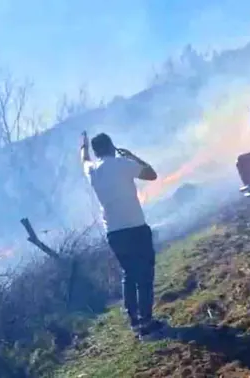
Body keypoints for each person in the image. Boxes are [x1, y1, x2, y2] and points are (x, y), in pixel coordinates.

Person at [80, 131, 166, 341]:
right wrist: (132, 156)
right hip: (136, 227)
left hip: (114, 232)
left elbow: (84, 159)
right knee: (145, 275)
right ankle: (147, 322)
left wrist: (83, 145)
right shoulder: (122, 164)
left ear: (97, 151)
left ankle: (135, 321)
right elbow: (152, 174)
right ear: (111, 146)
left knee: (129, 274)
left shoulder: (92, 171)